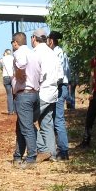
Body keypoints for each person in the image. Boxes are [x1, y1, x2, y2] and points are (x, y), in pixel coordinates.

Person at [31, 28, 63, 163]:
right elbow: (61, 76)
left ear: (34, 38)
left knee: (27, 121)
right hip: (53, 93)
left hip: (42, 93)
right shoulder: (53, 54)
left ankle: (43, 149)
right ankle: (52, 154)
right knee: (46, 123)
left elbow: (36, 75)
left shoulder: (35, 53)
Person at [11, 31, 41, 168]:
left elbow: (21, 65)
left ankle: (31, 159)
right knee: (21, 127)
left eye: (13, 43)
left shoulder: (19, 53)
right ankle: (17, 156)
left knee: (27, 127)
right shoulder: (33, 53)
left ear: (15, 43)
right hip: (34, 93)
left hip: (24, 94)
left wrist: (19, 75)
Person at [47, 30, 71, 161]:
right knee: (57, 119)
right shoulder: (63, 53)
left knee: (58, 120)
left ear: (51, 41)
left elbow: (59, 75)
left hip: (59, 87)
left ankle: (64, 151)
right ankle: (61, 148)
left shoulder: (55, 54)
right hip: (64, 86)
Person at [0, 49, 15, 115]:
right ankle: (16, 110)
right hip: (13, 77)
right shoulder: (13, 58)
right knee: (15, 94)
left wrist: (4, 55)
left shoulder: (3, 59)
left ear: (5, 53)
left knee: (9, 95)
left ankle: (10, 111)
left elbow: (0, 65)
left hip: (6, 77)